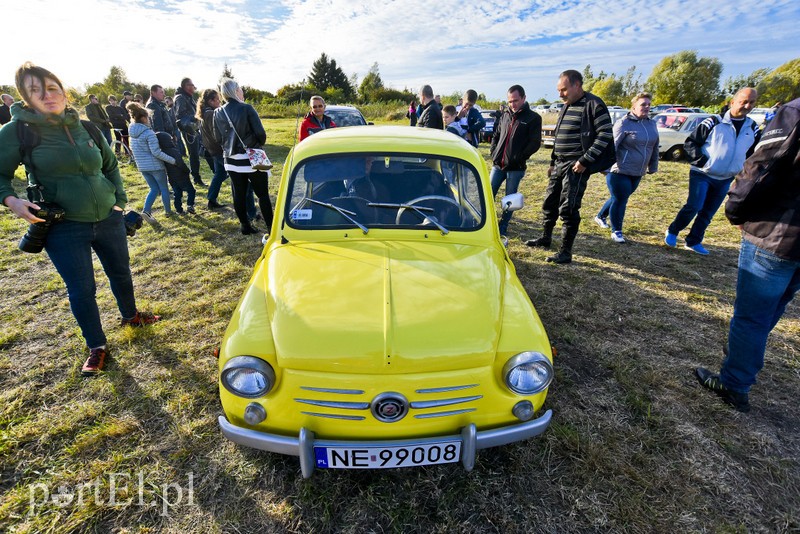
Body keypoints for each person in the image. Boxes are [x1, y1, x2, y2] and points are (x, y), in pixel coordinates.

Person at [0, 62, 160, 376]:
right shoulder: (17, 131)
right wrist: (12, 200)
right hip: (64, 227)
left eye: (51, 88)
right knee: (81, 288)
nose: (46, 96)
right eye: (35, 91)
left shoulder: (85, 125)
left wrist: (119, 202)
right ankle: (97, 347)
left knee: (121, 273)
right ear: (25, 97)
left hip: (108, 219)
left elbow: (111, 165)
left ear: (62, 90)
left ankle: (131, 316)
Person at [695, 97, 800, 413]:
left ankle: (734, 383)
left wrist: (736, 210)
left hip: (779, 231)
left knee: (753, 315)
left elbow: (762, 166)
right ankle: (744, 355)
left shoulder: (795, 112)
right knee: (773, 308)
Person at [525, 70, 614, 264]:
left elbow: (605, 134)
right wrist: (552, 162)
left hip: (576, 166)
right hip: (559, 163)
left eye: (564, 90)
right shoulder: (567, 106)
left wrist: (585, 161)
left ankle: (565, 251)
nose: (560, 94)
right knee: (550, 203)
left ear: (577, 85)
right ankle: (546, 238)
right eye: (559, 90)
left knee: (569, 207)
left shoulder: (594, 104)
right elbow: (559, 137)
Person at [665, 87, 760, 255]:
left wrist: (744, 169)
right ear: (733, 102)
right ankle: (673, 230)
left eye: (751, 102)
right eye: (743, 101)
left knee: (708, 212)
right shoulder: (713, 122)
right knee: (694, 205)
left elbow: (754, 152)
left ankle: (694, 240)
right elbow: (691, 143)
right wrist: (703, 162)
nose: (747, 106)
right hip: (702, 174)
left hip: (726, 177)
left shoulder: (752, 127)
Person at [594, 92, 659, 243]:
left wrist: (653, 165)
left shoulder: (652, 123)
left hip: (638, 171)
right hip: (619, 170)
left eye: (649, 104)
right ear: (634, 106)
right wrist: (604, 167)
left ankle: (600, 216)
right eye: (643, 104)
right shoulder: (624, 123)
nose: (647, 107)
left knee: (619, 197)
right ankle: (617, 231)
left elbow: (654, 147)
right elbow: (612, 146)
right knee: (621, 199)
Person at [213, 77, 273, 235]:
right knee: (262, 194)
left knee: (238, 193)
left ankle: (244, 225)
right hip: (251, 156)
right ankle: (271, 227)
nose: (242, 91)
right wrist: (257, 145)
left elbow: (218, 138)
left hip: (231, 159)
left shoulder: (217, 112)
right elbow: (260, 133)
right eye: (240, 88)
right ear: (235, 90)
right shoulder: (246, 108)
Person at [490, 84, 542, 236]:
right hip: (498, 165)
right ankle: (487, 222)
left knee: (509, 200)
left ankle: (503, 226)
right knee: (488, 194)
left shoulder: (533, 118)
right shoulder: (505, 114)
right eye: (510, 101)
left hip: (515, 168)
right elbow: (497, 135)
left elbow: (535, 143)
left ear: (524, 98)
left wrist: (519, 157)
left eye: (515, 100)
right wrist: (494, 152)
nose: (512, 104)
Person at [127, 101, 177, 221]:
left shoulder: (132, 132)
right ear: (144, 118)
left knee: (153, 189)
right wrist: (172, 160)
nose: (150, 120)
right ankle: (168, 211)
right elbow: (156, 152)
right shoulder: (149, 133)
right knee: (164, 188)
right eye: (148, 118)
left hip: (142, 167)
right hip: (155, 166)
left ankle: (146, 210)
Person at [173, 77, 205, 186]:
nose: (193, 87)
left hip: (194, 128)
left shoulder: (188, 97)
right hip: (188, 131)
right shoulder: (181, 98)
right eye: (191, 85)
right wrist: (195, 117)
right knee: (194, 154)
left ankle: (197, 176)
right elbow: (180, 116)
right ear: (185, 86)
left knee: (198, 152)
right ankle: (196, 178)